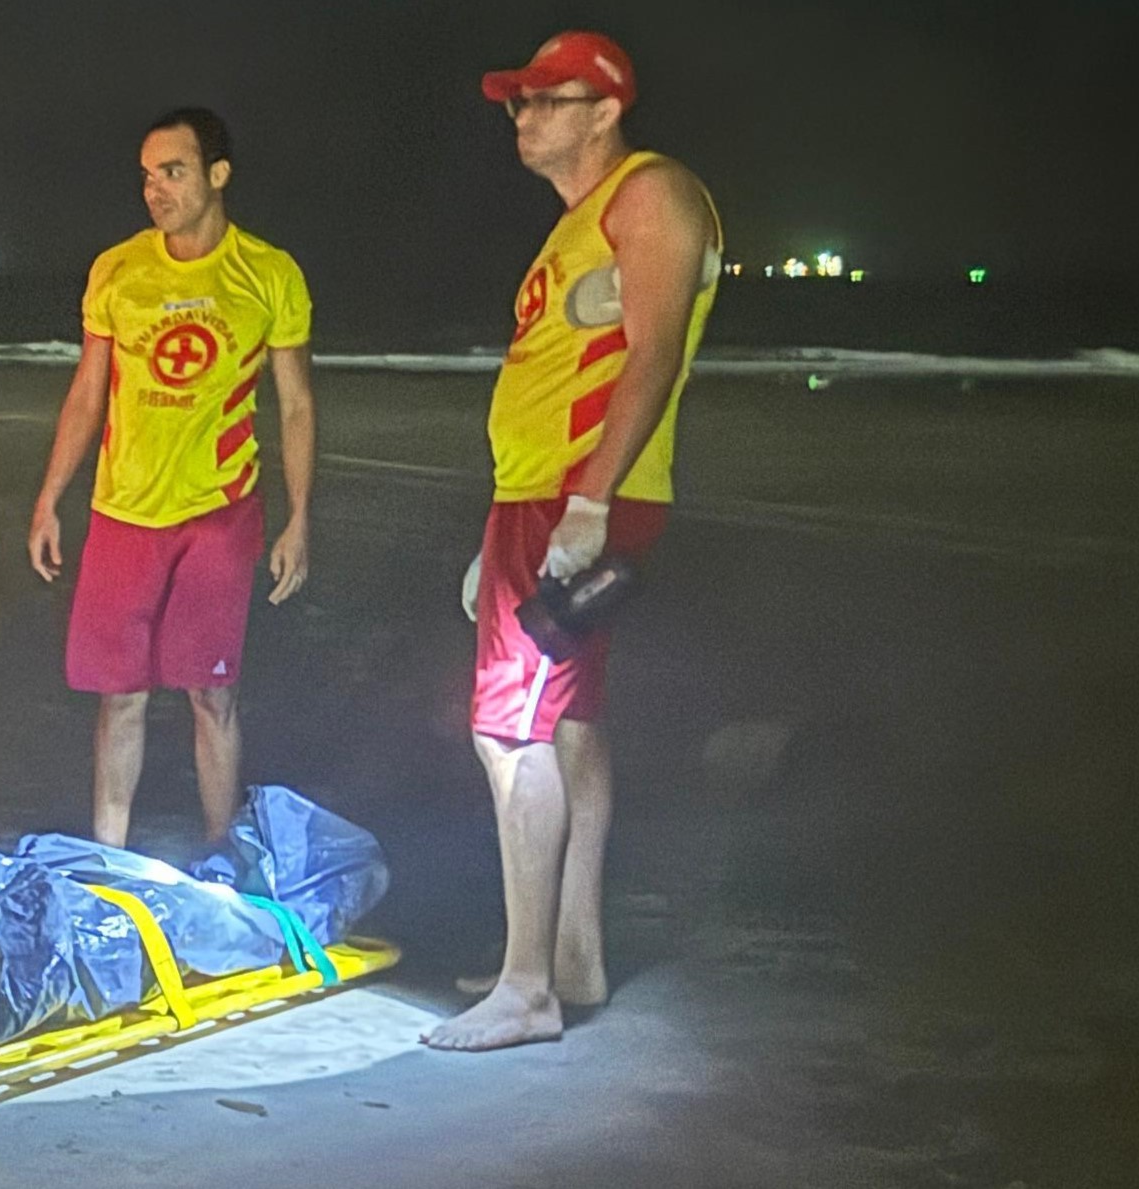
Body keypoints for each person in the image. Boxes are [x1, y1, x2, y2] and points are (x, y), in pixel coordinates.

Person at [422, 32, 723, 1051]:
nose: (523, 118)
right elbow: (558, 371)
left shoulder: (651, 193)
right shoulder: (574, 228)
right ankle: (571, 958)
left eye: (546, 101)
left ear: (604, 110)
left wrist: (587, 504)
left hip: (572, 499)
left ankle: (523, 990)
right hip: (535, 498)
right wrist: (498, 528)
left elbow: (653, 350)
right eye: (516, 103)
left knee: (508, 732)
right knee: (571, 725)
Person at [28, 107, 316, 851]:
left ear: (217, 175)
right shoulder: (117, 269)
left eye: (173, 171)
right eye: (148, 175)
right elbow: (87, 393)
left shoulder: (268, 273)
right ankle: (108, 857)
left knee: (211, 692)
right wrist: (48, 498)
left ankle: (221, 849)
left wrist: (298, 517)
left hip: (218, 513)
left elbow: (296, 404)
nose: (154, 189)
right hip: (123, 510)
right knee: (118, 697)